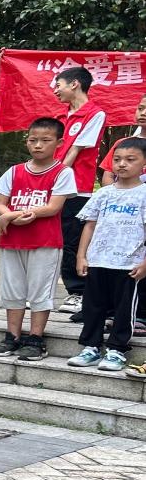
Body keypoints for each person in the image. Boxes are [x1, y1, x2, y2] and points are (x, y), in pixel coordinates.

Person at [0, 117, 75, 362]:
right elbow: (0, 204)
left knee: (40, 291)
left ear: (59, 143)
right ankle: (12, 336)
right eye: (33, 140)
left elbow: (53, 207)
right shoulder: (14, 171)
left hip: (45, 242)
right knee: (12, 290)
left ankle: (36, 339)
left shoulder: (63, 172)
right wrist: (8, 215)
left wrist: (12, 215)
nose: (38, 145)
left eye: (45, 140)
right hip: (12, 240)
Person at [66, 138, 146, 373]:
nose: (122, 164)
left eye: (130, 160)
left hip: (128, 264)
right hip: (98, 260)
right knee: (93, 306)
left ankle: (117, 350)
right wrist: (81, 256)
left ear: (143, 163)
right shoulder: (104, 193)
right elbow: (89, 225)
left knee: (124, 308)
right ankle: (90, 347)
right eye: (117, 159)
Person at [53, 67, 107, 316]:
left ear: (74, 84)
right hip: (53, 185)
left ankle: (78, 292)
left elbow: (75, 151)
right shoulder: (60, 116)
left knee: (71, 241)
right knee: (51, 239)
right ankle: (43, 291)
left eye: (59, 85)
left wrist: (54, 177)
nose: (56, 91)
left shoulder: (95, 114)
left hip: (76, 189)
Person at [101, 95, 146, 338]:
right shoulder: (123, 142)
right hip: (121, 214)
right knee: (122, 263)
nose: (143, 113)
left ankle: (141, 315)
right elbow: (108, 176)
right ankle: (117, 311)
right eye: (140, 108)